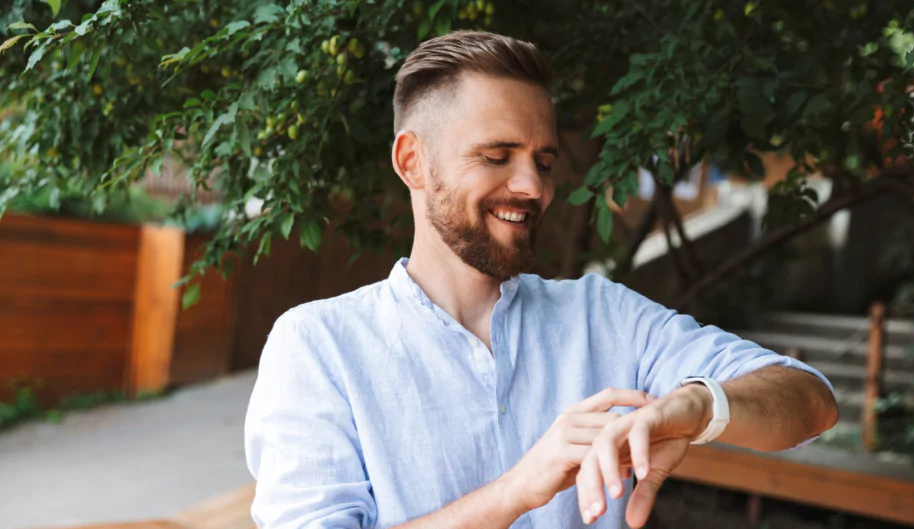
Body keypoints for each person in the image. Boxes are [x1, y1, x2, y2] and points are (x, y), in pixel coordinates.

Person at [243, 30, 838, 529]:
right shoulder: (317, 346)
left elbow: (811, 400)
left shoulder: (604, 316)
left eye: (545, 161)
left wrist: (698, 405)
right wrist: (518, 490)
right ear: (411, 162)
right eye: (497, 156)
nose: (533, 186)